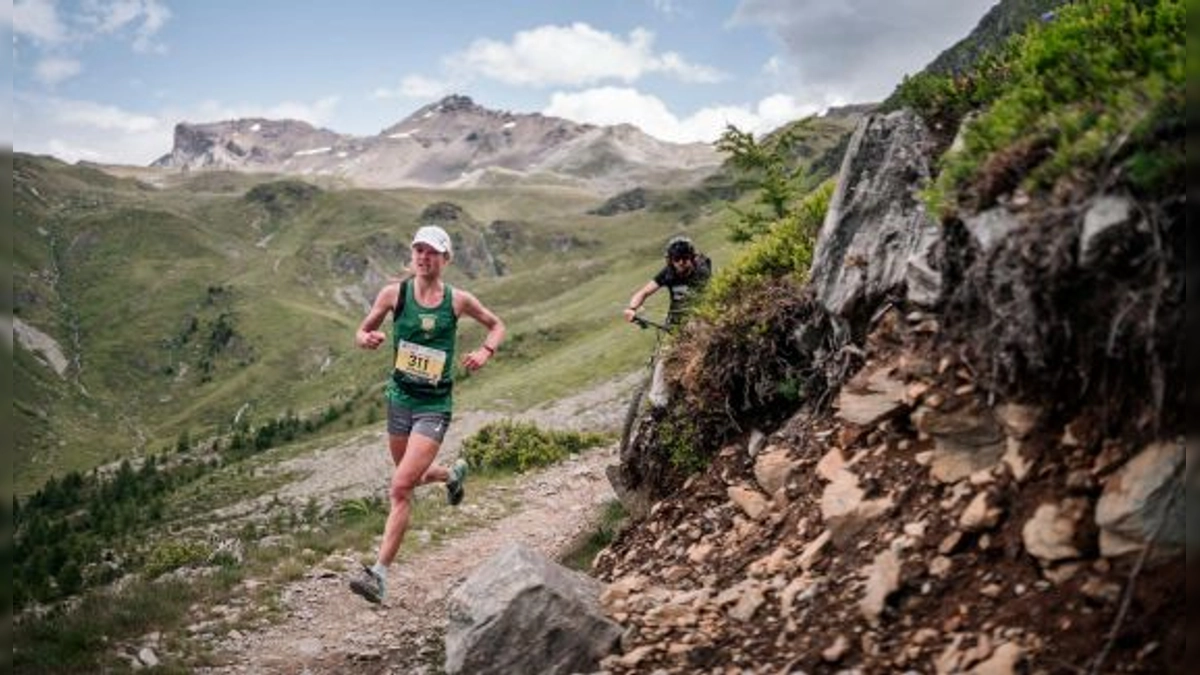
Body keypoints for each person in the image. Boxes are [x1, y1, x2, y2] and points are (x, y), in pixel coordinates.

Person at [348, 224, 505, 605]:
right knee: (411, 477)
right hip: (399, 400)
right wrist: (366, 338)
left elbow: (496, 325)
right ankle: (451, 475)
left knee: (400, 487)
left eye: (432, 251)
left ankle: (379, 576)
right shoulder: (394, 294)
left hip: (434, 407)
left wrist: (485, 351)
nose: (423, 257)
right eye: (418, 250)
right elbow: (362, 329)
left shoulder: (458, 301)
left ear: (445, 259)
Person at [622, 235, 711, 406]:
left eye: (685, 258)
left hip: (700, 317)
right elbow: (643, 292)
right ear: (671, 260)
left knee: (700, 350)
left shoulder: (701, 272)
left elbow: (706, 299)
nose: (681, 262)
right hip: (676, 321)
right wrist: (632, 309)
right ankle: (658, 401)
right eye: (677, 259)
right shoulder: (668, 273)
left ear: (692, 258)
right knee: (663, 357)